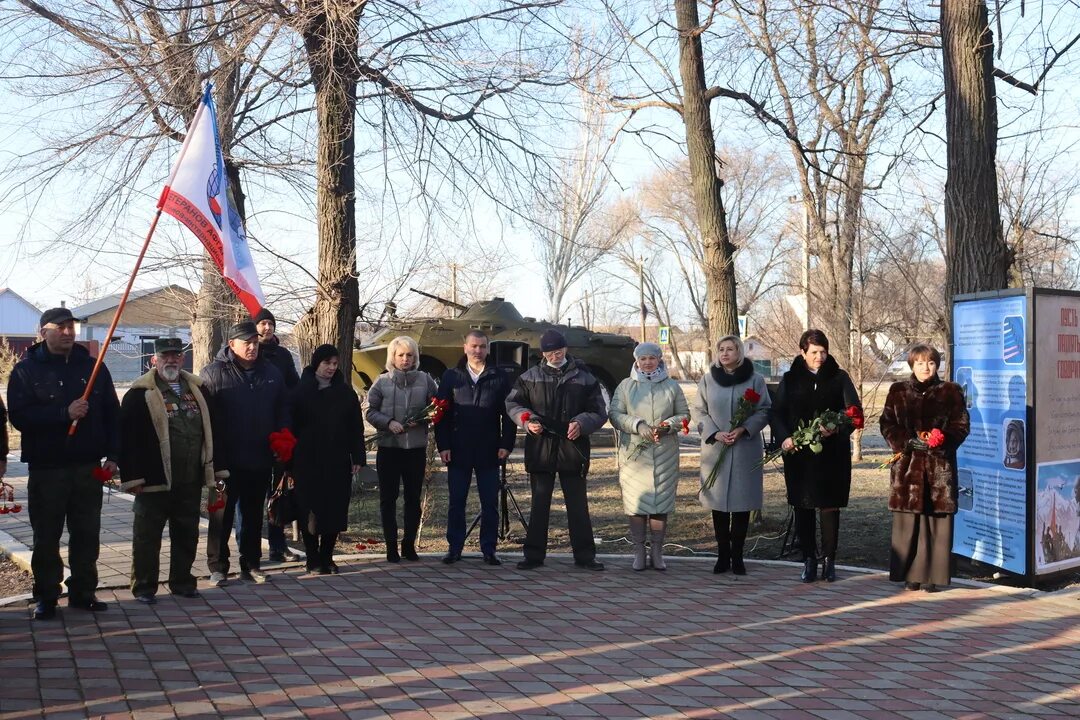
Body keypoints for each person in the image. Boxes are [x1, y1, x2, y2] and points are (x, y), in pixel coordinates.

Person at [7, 307, 120, 620]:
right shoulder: (27, 370)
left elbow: (112, 412)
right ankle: (46, 595)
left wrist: (113, 454)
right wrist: (63, 414)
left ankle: (84, 591)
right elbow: (19, 417)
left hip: (87, 466)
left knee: (87, 533)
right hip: (48, 468)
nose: (69, 332)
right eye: (62, 327)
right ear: (44, 331)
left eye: (72, 327)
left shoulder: (92, 366)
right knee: (47, 536)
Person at [120, 338, 218, 603]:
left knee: (187, 531)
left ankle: (182, 581)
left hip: (190, 477)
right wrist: (132, 478)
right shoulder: (140, 393)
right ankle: (143, 586)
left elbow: (212, 431)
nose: (171, 360)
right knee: (147, 536)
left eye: (176, 356)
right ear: (155, 359)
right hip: (154, 479)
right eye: (165, 356)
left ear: (182, 359)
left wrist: (215, 468)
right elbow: (127, 440)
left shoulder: (198, 390)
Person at [506, 329, 608, 571]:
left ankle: (585, 556)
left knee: (578, 504)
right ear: (543, 353)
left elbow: (599, 411)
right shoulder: (529, 377)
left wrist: (582, 423)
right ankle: (533, 555)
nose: (555, 355)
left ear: (566, 349)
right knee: (539, 503)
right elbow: (513, 403)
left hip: (574, 446)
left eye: (559, 350)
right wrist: (527, 420)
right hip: (541, 445)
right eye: (550, 352)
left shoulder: (585, 377)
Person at [201, 321, 290, 585]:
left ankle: (250, 564)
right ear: (232, 345)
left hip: (259, 457)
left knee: (252, 515)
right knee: (221, 515)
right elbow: (203, 417)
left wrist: (282, 439)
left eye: (254, 342)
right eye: (246, 343)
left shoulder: (271, 373)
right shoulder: (213, 374)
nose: (252, 347)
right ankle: (217, 566)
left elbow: (282, 409)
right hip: (224, 460)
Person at [770, 329, 861, 583]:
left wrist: (837, 427)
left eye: (823, 351)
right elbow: (776, 413)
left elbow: (854, 413)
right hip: (800, 455)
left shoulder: (839, 378)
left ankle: (829, 560)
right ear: (802, 352)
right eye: (814, 352)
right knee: (804, 507)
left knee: (829, 507)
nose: (819, 357)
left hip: (831, 455)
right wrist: (785, 437)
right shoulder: (790, 379)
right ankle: (809, 559)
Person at [879, 344, 969, 592]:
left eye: (930, 363)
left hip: (939, 466)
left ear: (937, 365)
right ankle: (910, 574)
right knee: (909, 523)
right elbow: (887, 424)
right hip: (907, 467)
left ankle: (933, 576)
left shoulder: (950, 391)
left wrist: (942, 441)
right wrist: (906, 441)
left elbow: (960, 426)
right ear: (911, 365)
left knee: (935, 522)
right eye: (919, 363)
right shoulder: (898, 391)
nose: (925, 368)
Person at [434, 330, 517, 565]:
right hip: (458, 449)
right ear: (465, 347)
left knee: (489, 502)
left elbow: (509, 414)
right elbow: (441, 414)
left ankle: (489, 548)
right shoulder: (451, 376)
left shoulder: (499, 377)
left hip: (489, 449)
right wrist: (443, 446)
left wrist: (506, 444)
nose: (477, 351)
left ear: (488, 349)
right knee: (456, 500)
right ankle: (455, 547)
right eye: (473, 346)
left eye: (482, 346)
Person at [692, 335, 771, 575]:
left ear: (739, 352)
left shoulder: (755, 380)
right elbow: (698, 410)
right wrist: (714, 433)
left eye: (730, 349)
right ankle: (722, 555)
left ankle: (738, 557)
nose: (725, 353)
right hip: (716, 450)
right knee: (718, 505)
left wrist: (743, 428)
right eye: (721, 350)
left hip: (744, 448)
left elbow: (765, 409)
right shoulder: (707, 380)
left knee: (740, 505)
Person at [609, 342, 689, 571]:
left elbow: (684, 414)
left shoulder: (672, 386)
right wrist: (637, 424)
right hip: (635, 454)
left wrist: (668, 425)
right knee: (636, 503)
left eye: (651, 358)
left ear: (659, 360)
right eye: (642, 359)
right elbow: (615, 414)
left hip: (665, 451)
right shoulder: (626, 386)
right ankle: (638, 551)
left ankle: (657, 551)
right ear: (636, 361)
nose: (647, 362)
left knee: (660, 503)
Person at [289, 344, 365, 574]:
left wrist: (357, 456)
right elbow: (290, 429)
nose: (331, 368)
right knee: (309, 510)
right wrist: (287, 463)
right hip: (307, 461)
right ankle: (312, 557)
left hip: (337, 460)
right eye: (326, 363)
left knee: (335, 508)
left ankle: (327, 556)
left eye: (334, 363)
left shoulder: (345, 393)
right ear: (316, 364)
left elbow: (355, 428)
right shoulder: (300, 392)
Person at [365, 336, 438, 563]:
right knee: (388, 498)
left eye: (410, 355)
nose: (405, 359)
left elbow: (437, 407)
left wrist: (425, 419)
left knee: (412, 498)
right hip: (389, 448)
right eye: (401, 355)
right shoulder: (382, 382)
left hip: (415, 448)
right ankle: (390, 546)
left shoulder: (425, 380)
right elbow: (369, 410)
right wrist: (388, 422)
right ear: (393, 357)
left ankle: (408, 544)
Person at [253, 307, 301, 564]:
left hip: (280, 432)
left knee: (277, 493)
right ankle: (248, 550)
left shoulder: (282, 355)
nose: (267, 328)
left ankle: (277, 545)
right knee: (252, 494)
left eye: (270, 323)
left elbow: (294, 385)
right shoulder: (249, 355)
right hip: (254, 433)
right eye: (262, 324)